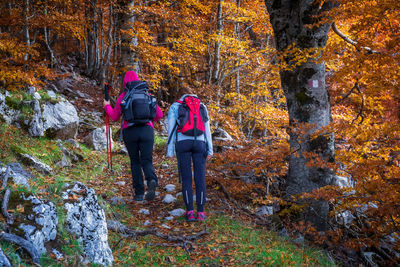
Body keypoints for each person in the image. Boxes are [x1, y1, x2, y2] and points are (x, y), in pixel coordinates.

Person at [104, 71, 163, 202]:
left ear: (125, 82)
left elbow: (114, 117)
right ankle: (152, 179)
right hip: (147, 130)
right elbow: (159, 115)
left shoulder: (124, 96)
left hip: (130, 131)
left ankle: (139, 193)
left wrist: (107, 106)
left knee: (135, 161)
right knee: (147, 160)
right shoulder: (146, 94)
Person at [167, 88, 213, 221]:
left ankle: (190, 212)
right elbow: (207, 129)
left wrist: (170, 151)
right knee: (200, 177)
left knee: (186, 178)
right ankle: (201, 212)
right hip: (200, 143)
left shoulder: (176, 106)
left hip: (183, 143)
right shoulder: (201, 105)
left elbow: (171, 129)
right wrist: (210, 149)